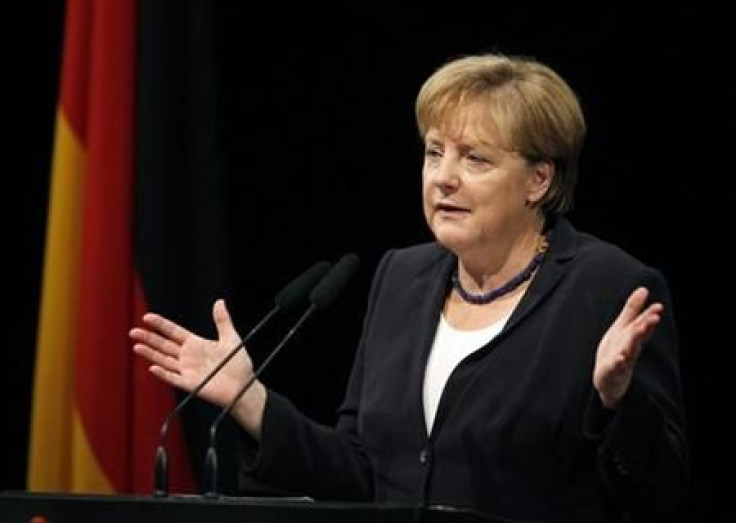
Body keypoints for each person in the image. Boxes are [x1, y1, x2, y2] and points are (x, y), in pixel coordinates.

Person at [130, 52, 689, 522]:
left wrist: (619, 403)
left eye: (475, 159)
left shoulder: (608, 289)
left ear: (538, 180)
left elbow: (659, 495)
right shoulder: (402, 278)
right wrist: (252, 403)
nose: (444, 176)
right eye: (434, 152)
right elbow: (363, 473)